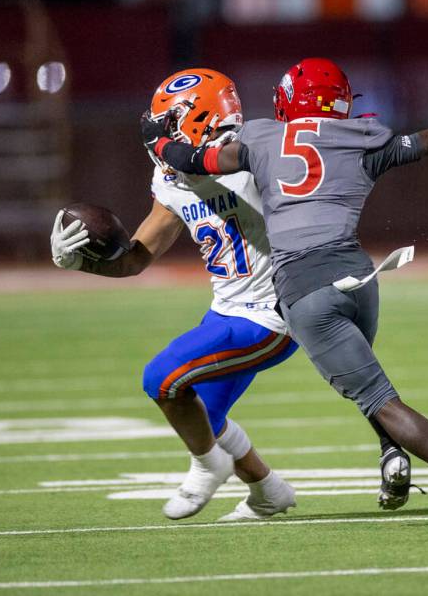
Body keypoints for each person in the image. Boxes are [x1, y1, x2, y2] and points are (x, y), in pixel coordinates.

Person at [138, 57, 428, 527]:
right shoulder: (364, 136)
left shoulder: (258, 137)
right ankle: (387, 454)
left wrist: (161, 141)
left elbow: (198, 160)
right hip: (362, 276)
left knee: (379, 399)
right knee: (371, 390)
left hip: (304, 288)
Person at [50, 68, 301, 522]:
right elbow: (135, 258)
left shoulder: (254, 151)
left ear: (199, 116)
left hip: (274, 313)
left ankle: (208, 465)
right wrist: (81, 262)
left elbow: (225, 163)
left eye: (169, 121)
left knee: (162, 379)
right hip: (227, 307)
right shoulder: (171, 177)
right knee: (204, 412)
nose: (159, 132)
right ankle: (267, 489)